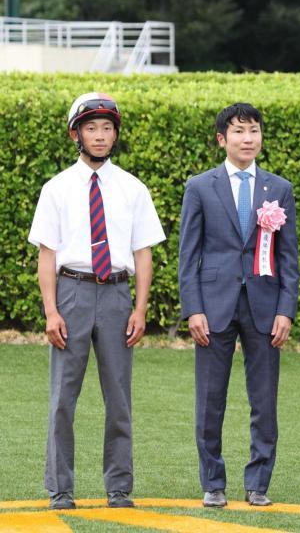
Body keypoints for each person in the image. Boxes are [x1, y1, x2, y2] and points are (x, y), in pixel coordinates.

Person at [28, 93, 166, 510]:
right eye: (91, 128)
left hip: (116, 295)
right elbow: (47, 254)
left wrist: (139, 309)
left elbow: (143, 253)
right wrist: (51, 311)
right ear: (76, 134)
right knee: (62, 399)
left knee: (119, 399)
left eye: (108, 128)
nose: (101, 136)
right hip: (71, 291)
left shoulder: (132, 188)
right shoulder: (56, 189)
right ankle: (61, 489)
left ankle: (119, 487)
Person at [178, 103, 299, 508]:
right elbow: (188, 256)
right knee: (210, 400)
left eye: (254, 131)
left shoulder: (279, 189)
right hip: (213, 307)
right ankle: (213, 483)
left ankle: (258, 483)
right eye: (239, 132)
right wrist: (193, 309)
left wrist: (286, 309)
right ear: (221, 139)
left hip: (265, 307)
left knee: (264, 400)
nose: (248, 139)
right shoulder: (200, 187)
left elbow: (289, 258)